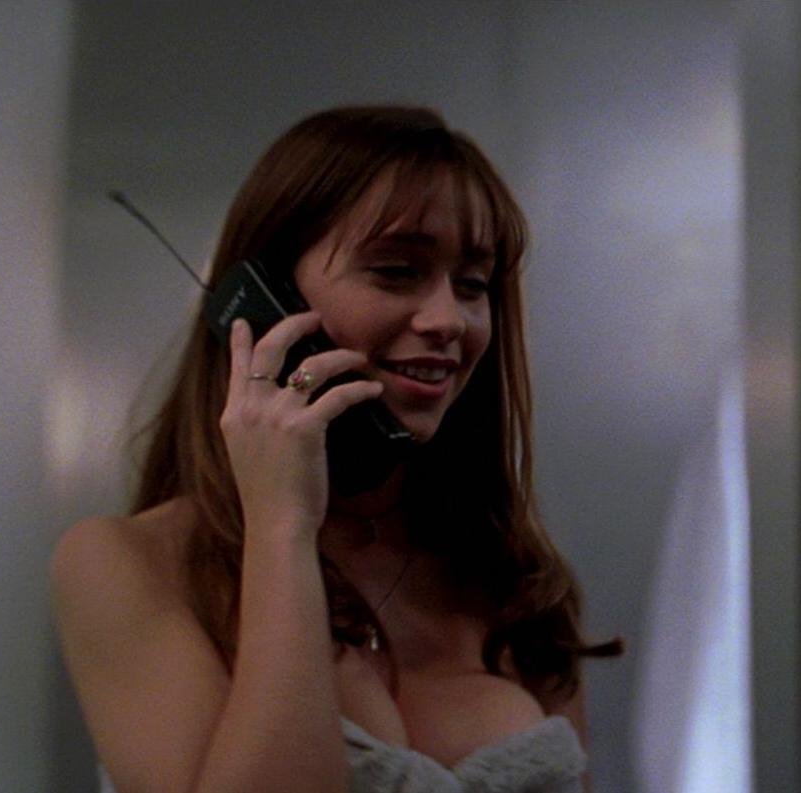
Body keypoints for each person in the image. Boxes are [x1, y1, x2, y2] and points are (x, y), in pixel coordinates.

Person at [51, 106, 620, 793]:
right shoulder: (129, 564)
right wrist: (281, 526)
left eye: (473, 285)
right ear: (264, 300)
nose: (448, 320)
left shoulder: (513, 576)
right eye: (396, 271)